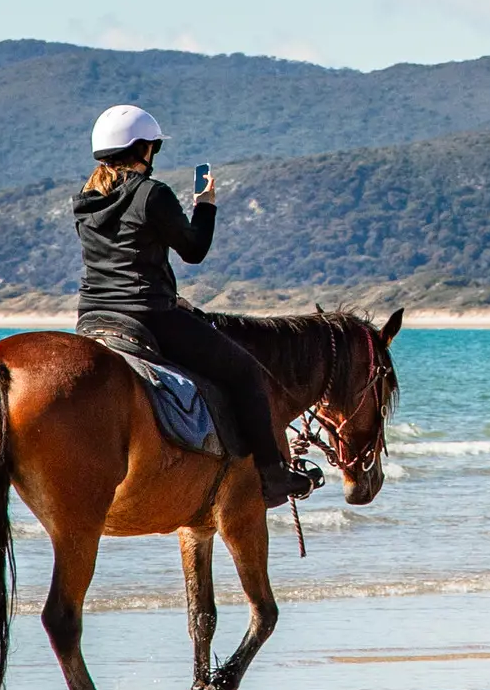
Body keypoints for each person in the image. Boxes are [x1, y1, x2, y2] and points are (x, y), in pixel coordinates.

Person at [72, 103, 319, 507]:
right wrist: (206, 202)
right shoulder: (153, 194)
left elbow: (120, 260)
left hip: (94, 315)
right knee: (245, 372)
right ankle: (273, 477)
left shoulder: (84, 199)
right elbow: (194, 250)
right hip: (148, 316)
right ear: (145, 149)